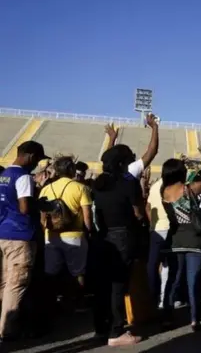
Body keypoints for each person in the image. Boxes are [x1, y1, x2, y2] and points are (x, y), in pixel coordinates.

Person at [91, 145, 146, 346]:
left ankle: (100, 329)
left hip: (101, 236)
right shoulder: (127, 182)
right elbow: (138, 212)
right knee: (118, 285)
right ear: (122, 163)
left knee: (102, 285)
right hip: (122, 235)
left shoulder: (98, 183)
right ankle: (116, 331)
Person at [161, 148, 201, 331]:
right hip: (195, 239)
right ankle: (195, 319)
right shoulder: (190, 188)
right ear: (182, 172)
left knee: (173, 279)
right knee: (193, 279)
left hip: (174, 239)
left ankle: (167, 316)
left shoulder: (163, 191)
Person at [0, 141, 48, 341]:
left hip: (3, 233)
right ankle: (6, 331)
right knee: (16, 285)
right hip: (20, 235)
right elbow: (25, 208)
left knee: (4, 284)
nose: (37, 164)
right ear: (29, 156)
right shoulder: (23, 177)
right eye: (37, 159)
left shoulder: (3, 175)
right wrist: (41, 204)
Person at [39, 156, 93, 309]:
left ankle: (49, 303)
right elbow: (87, 215)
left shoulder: (46, 188)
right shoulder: (80, 188)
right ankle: (77, 302)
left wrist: (44, 232)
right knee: (78, 272)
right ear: (71, 170)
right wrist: (89, 232)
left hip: (51, 236)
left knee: (50, 272)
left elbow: (42, 216)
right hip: (74, 235)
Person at [104, 113, 159, 179]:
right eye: (131, 155)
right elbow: (152, 152)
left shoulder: (108, 174)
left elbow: (109, 158)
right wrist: (155, 127)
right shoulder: (130, 171)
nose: (133, 156)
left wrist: (112, 139)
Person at [146, 177, 171, 308]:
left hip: (156, 229)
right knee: (168, 265)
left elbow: (148, 207)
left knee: (154, 265)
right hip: (169, 228)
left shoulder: (154, 186)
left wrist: (152, 223)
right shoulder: (173, 186)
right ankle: (164, 298)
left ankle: (153, 297)